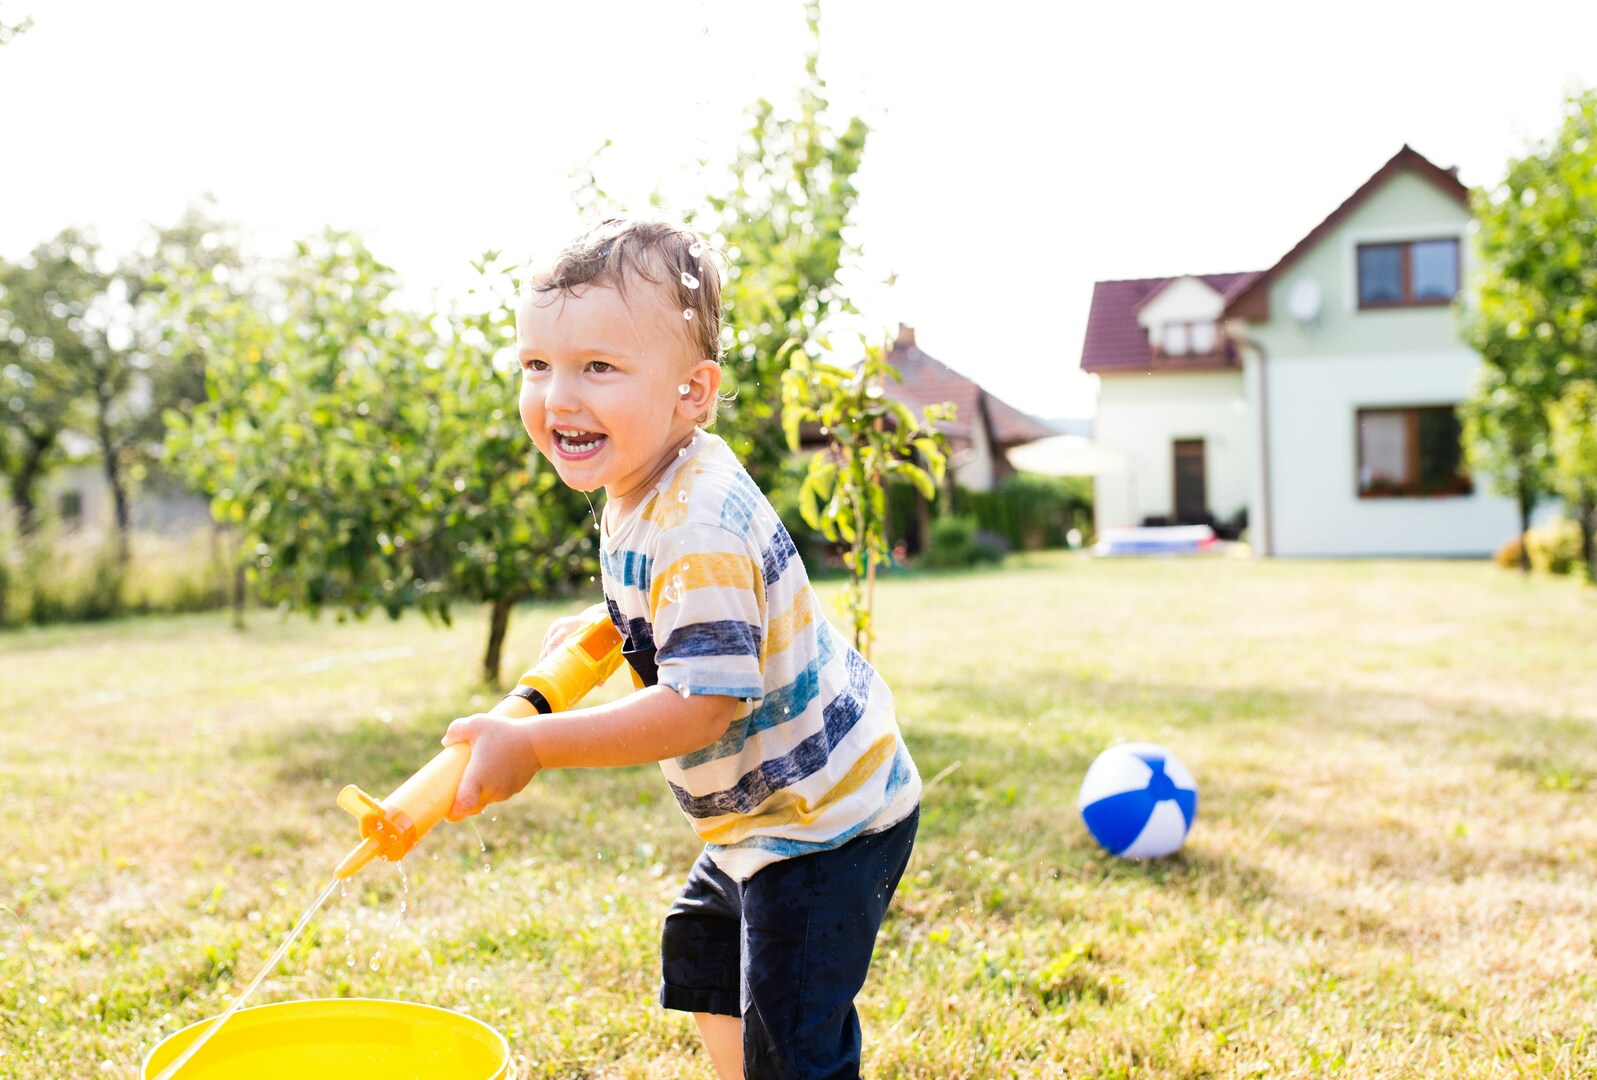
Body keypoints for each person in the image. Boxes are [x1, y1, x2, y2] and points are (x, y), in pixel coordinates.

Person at [440, 217, 921, 1079]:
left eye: (598, 367)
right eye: (537, 366)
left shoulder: (697, 518)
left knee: (793, 1039)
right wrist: (613, 625)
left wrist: (535, 745)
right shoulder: (644, 478)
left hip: (823, 822)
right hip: (762, 816)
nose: (558, 397)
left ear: (692, 392)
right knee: (704, 953)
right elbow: (672, 608)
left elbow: (702, 706)